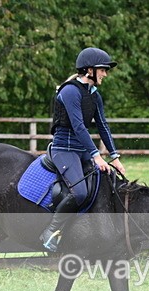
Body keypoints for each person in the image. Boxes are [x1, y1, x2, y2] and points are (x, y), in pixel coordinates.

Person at [40, 47, 127, 252]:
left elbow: (103, 126)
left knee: (106, 185)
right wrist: (96, 156)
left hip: (82, 150)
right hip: (64, 149)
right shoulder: (69, 91)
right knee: (79, 192)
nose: (105, 74)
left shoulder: (94, 95)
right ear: (89, 70)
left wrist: (114, 157)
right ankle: (50, 231)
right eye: (102, 70)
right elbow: (78, 126)